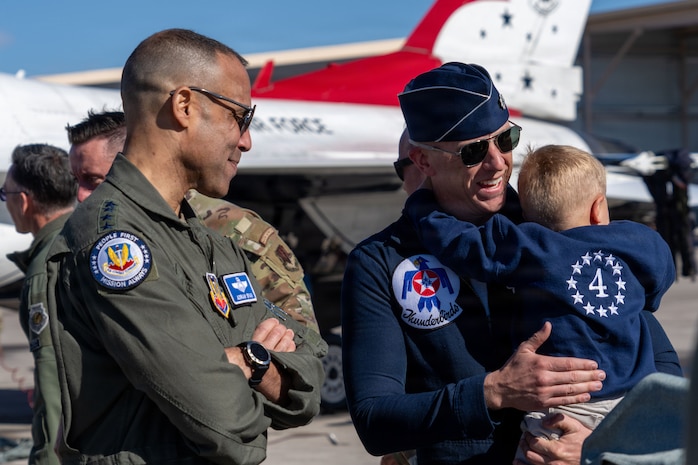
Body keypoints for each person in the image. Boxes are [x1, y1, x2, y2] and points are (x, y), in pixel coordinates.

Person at [341, 62, 682, 465]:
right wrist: (494, 392)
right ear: (423, 161)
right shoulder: (380, 262)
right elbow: (375, 418)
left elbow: (662, 374)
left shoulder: (561, 232)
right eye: (472, 151)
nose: (499, 162)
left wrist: (601, 442)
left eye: (506, 139)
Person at [46, 29, 326, 465]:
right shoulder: (118, 246)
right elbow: (229, 427)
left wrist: (247, 360)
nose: (246, 140)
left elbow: (311, 367)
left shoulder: (213, 243)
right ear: (184, 106)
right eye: (240, 116)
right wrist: (263, 369)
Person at [404, 144, 675, 462]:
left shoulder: (532, 247)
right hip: (633, 401)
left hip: (562, 407)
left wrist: (422, 202)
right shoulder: (640, 242)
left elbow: (459, 242)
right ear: (598, 208)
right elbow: (658, 283)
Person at [66, 110, 319, 332]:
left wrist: (247, 361)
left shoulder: (234, 230)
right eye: (77, 180)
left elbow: (301, 332)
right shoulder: (92, 240)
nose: (80, 195)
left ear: (132, 165)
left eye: (94, 180)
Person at [3, 144, 77, 465]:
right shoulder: (86, 237)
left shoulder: (46, 266)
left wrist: (48, 457)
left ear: (24, 200)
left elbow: (53, 378)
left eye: (5, 196)